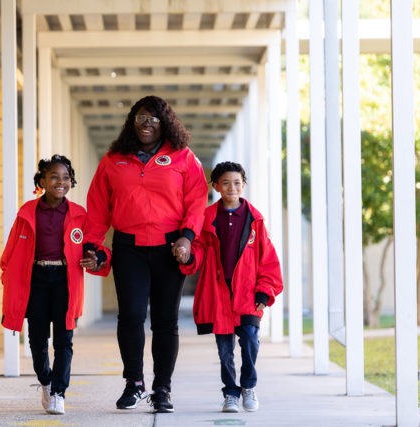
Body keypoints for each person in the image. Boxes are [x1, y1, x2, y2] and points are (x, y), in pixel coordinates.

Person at [81, 95, 208, 413]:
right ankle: (133, 383)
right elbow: (98, 206)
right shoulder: (114, 159)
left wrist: (187, 237)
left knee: (165, 322)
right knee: (132, 316)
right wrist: (93, 245)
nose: (147, 124)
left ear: (165, 123)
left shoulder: (182, 157)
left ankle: (162, 389)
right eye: (141, 118)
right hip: (129, 248)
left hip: (169, 249)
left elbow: (196, 199)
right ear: (132, 122)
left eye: (154, 118)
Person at [0, 154, 110, 415]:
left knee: (64, 339)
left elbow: (95, 244)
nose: (61, 182)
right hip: (36, 280)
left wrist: (98, 257)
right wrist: (8, 278)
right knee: (37, 339)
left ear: (71, 182)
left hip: (65, 280)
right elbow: (11, 251)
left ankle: (59, 392)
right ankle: (46, 382)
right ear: (42, 181)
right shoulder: (27, 212)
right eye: (54, 177)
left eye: (66, 178)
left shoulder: (79, 215)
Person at [179, 161, 283, 413]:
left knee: (250, 341)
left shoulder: (255, 220)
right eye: (225, 183)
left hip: (247, 293)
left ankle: (248, 386)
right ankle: (230, 393)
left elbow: (267, 258)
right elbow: (201, 248)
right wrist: (189, 255)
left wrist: (264, 291)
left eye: (236, 183)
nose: (231, 187)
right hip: (218, 293)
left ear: (244, 185)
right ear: (215, 186)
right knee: (224, 350)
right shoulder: (207, 218)